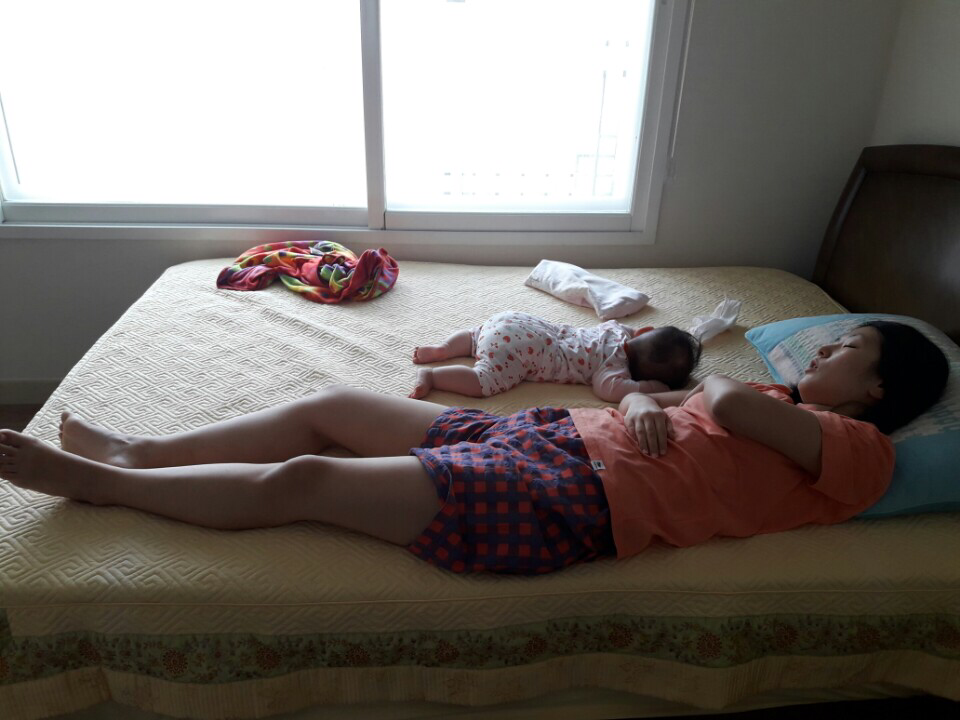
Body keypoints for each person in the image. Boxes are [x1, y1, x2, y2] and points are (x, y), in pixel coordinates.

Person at [0, 321, 948, 575]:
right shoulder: (781, 401)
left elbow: (729, 404)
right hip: (554, 438)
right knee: (333, 404)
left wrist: (707, 391)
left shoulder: (858, 453)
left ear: (877, 391)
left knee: (307, 478)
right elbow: (679, 400)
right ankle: (144, 452)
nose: (822, 349)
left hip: (577, 501)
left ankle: (102, 486)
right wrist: (653, 398)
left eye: (846, 348)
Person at [409, 310, 702, 402]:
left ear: (643, 332)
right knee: (484, 380)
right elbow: (608, 390)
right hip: (526, 350)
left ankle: (444, 349)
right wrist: (654, 388)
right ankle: (433, 377)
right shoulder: (614, 367)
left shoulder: (617, 330)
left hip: (518, 322)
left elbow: (636, 334)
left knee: (478, 336)